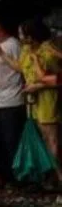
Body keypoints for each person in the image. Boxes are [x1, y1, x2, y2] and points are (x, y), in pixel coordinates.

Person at [0, 10, 26, 185]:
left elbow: (23, 68)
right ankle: (4, 177)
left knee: (12, 142)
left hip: (11, 100)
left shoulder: (13, 45)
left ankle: (18, 179)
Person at [18, 17, 61, 179]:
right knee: (44, 138)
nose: (20, 38)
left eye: (22, 34)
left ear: (31, 37)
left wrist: (37, 85)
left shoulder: (48, 52)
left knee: (51, 140)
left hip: (48, 100)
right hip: (35, 101)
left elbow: (49, 78)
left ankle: (58, 176)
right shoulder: (29, 51)